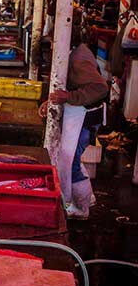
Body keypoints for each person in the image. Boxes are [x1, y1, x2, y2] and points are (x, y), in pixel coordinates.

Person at [41, 23, 108, 219]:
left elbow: (100, 88)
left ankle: (81, 207)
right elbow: (68, 86)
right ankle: (87, 198)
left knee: (71, 162)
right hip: (80, 115)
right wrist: (51, 100)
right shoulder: (76, 54)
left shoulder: (78, 59)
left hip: (85, 118)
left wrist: (69, 97)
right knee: (73, 158)